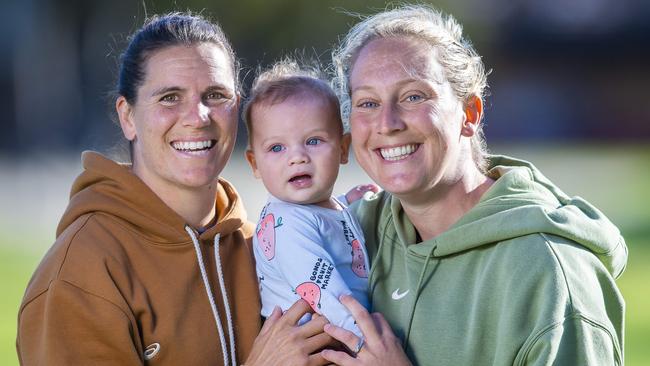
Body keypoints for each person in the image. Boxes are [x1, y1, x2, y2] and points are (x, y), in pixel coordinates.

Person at [16, 13, 332, 366]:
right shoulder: (79, 272)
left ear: (237, 108)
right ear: (128, 116)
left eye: (215, 95)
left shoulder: (260, 245)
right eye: (169, 97)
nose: (198, 117)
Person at [321, 5, 627, 366]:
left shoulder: (549, 274)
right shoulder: (354, 236)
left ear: (469, 114)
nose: (387, 123)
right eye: (367, 103)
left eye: (413, 97)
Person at [242, 60, 378, 341]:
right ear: (255, 164)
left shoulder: (309, 210)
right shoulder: (288, 226)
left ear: (342, 149)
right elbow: (325, 292)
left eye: (313, 141)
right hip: (322, 341)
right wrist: (365, 344)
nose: (297, 157)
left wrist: (345, 202)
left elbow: (320, 223)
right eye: (277, 147)